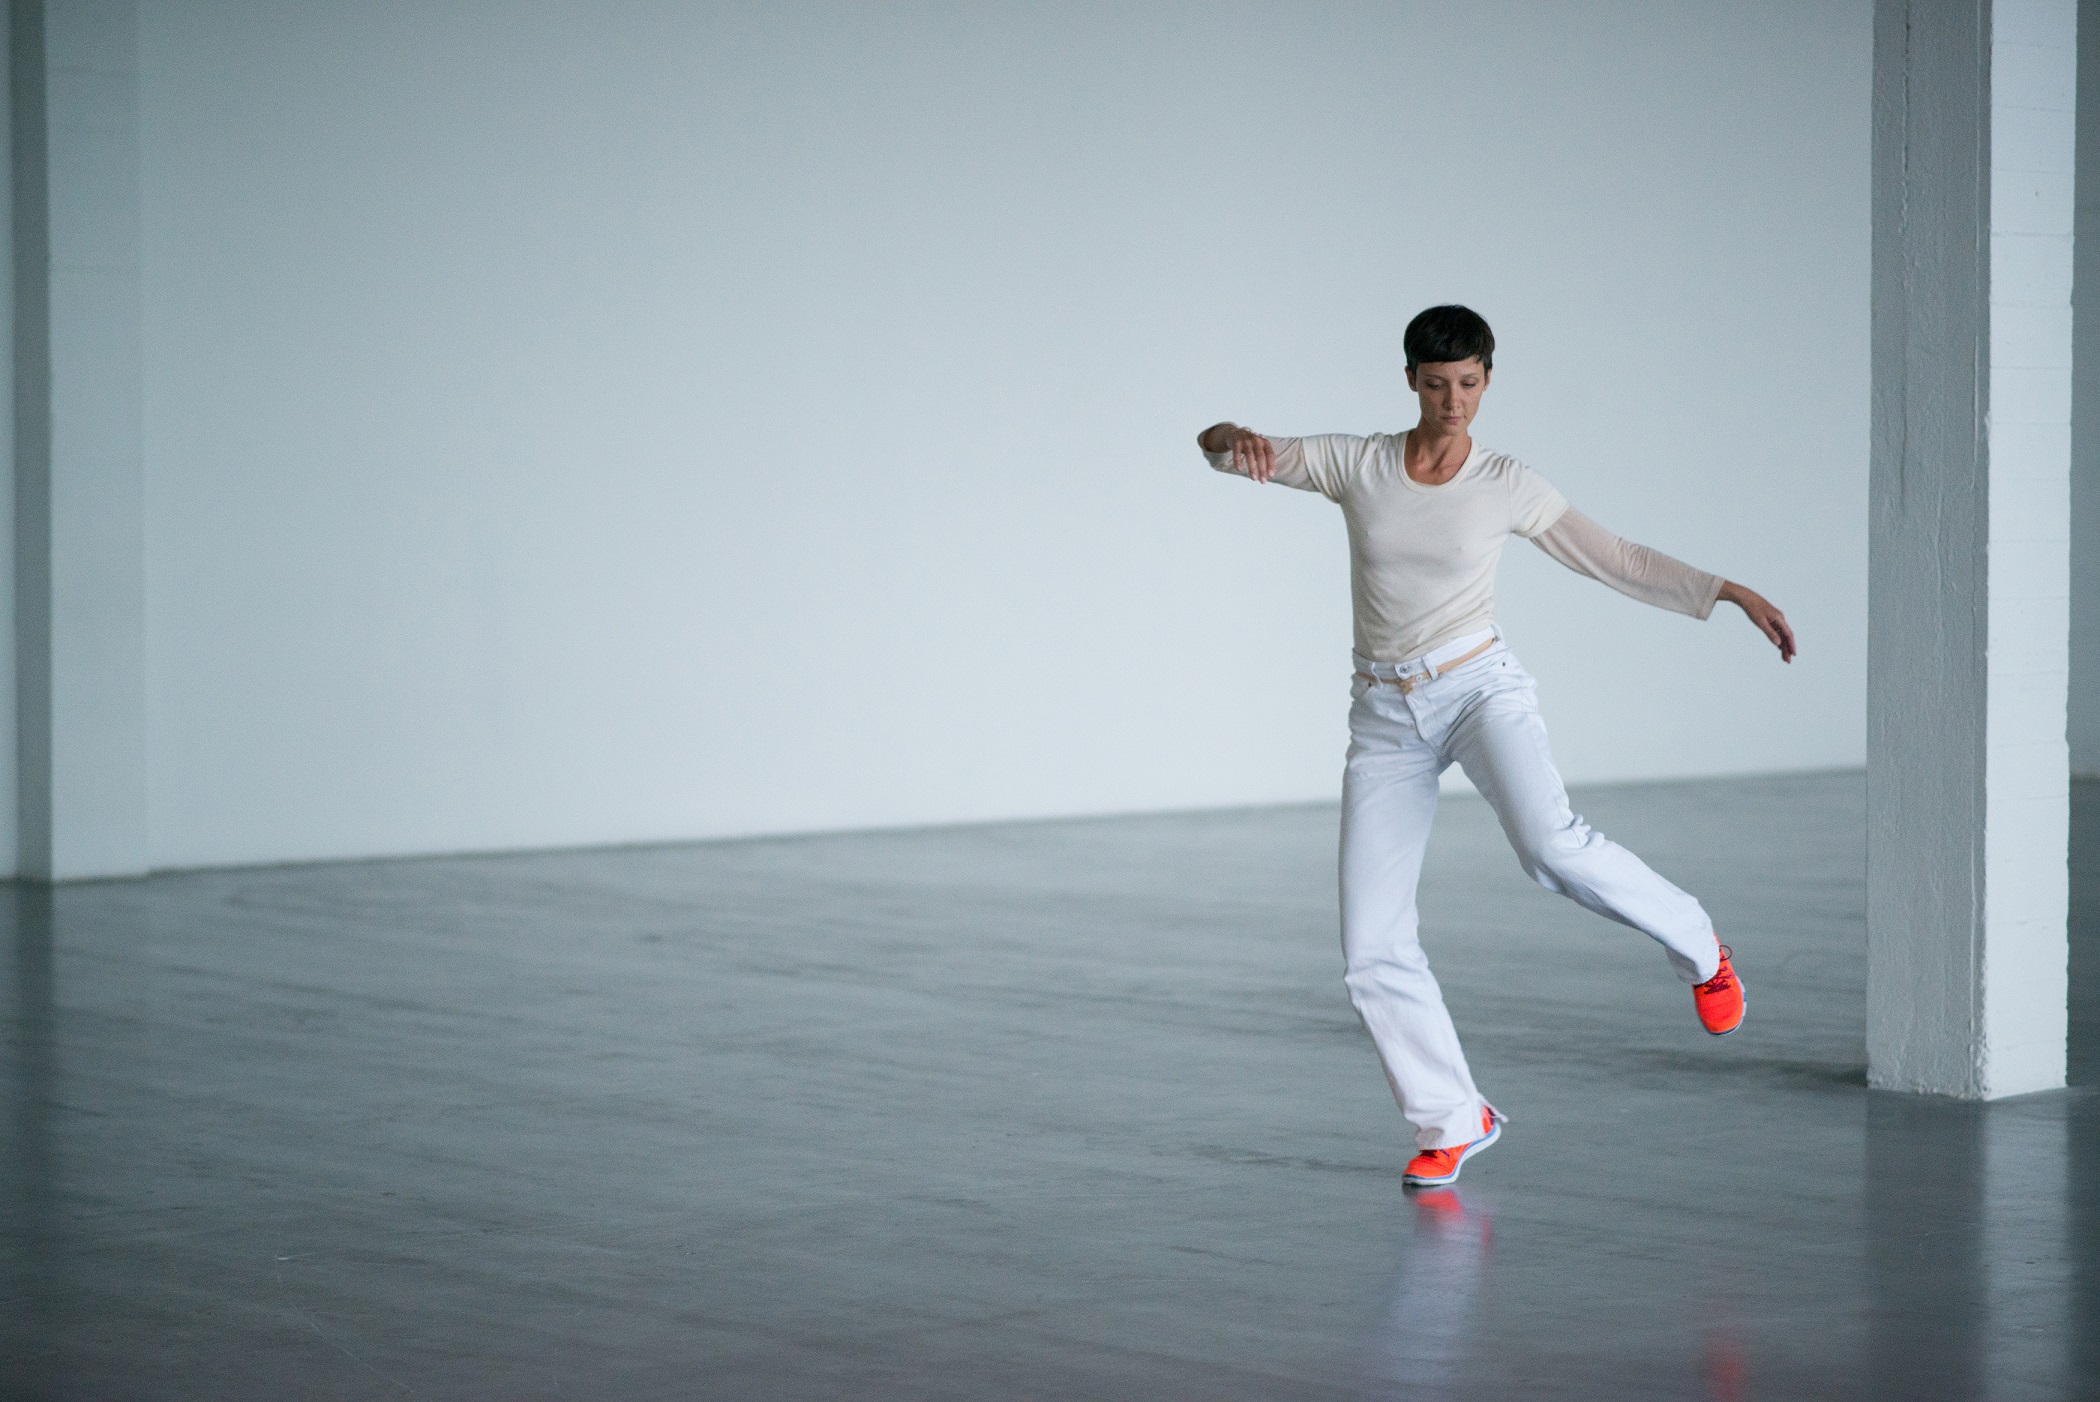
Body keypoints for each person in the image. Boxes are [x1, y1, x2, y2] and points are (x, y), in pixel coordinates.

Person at [1196, 304, 1793, 1189]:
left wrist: (1728, 592)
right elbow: (1219, 448)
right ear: (1410, 380)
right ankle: (1453, 1117)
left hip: (1478, 687)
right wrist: (1231, 437)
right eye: (1437, 385)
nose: (1453, 402)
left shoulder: (1507, 483)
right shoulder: (1357, 464)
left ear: (1486, 379)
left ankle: (1700, 945)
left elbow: (1616, 557)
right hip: (1384, 713)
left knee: (1550, 845)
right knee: (1369, 944)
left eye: (1469, 384)